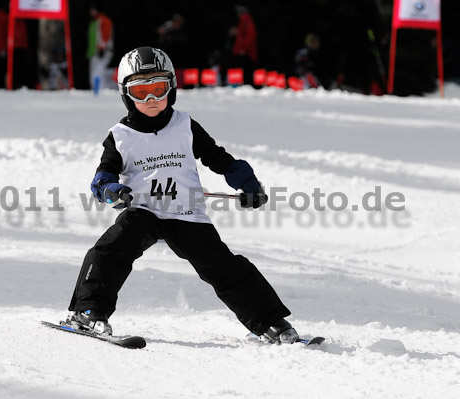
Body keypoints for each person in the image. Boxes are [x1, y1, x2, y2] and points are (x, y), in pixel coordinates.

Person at [65, 47, 298, 344]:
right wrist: (112, 190)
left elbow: (219, 158)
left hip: (185, 212)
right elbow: (102, 177)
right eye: (141, 91)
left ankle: (270, 322)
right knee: (110, 252)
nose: (151, 99)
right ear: (126, 94)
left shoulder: (185, 126)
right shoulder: (120, 137)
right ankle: (88, 311)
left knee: (224, 266)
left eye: (158, 89)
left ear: (171, 88)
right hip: (143, 211)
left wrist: (249, 184)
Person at [0, 3, 30, 89]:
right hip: (8, 48)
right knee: (7, 71)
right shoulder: (1, 15)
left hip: (20, 47)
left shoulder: (19, 14)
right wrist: (0, 48)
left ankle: (18, 87)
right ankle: (6, 87)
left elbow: (23, 32)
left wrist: (25, 46)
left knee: (20, 71)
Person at [87, 4, 114, 91]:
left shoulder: (104, 20)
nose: (91, 12)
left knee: (98, 73)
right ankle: (96, 91)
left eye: (92, 10)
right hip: (94, 52)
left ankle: (99, 92)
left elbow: (106, 35)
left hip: (102, 51)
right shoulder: (94, 21)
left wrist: (103, 47)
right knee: (95, 73)